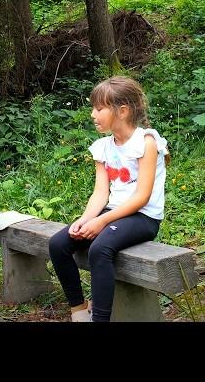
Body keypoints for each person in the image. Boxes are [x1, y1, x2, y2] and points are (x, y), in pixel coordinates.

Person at [48, 76, 170, 322]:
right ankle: (79, 309)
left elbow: (142, 196)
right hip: (114, 212)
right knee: (58, 244)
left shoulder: (146, 142)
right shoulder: (103, 146)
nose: (93, 114)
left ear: (122, 111)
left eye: (99, 108)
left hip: (143, 216)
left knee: (99, 249)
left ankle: (100, 319)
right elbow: (101, 193)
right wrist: (85, 220)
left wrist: (102, 223)